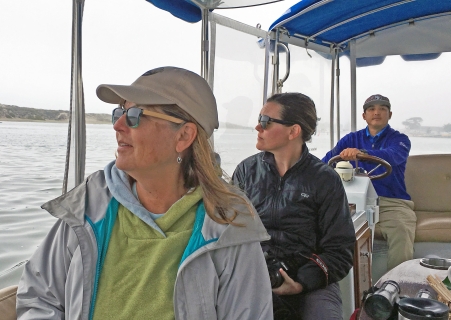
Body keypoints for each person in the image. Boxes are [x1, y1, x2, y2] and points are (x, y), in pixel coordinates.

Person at [16, 66, 273, 320]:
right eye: (120, 111)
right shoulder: (89, 205)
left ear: (184, 135)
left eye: (135, 115)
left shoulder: (228, 224)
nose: (117, 125)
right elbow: (39, 296)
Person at [232, 92, 356, 320]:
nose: (257, 128)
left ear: (293, 131)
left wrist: (300, 282)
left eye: (265, 122)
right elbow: (230, 233)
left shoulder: (325, 179)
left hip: (312, 281)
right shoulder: (245, 172)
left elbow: (340, 250)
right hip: (255, 275)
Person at [322, 94, 416, 271]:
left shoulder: (400, 140)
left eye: (382, 109)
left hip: (391, 202)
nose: (377, 112)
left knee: (402, 230)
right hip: (354, 201)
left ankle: (397, 287)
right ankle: (342, 283)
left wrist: (361, 153)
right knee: (326, 227)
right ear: (364, 115)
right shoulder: (350, 140)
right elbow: (325, 162)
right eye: (372, 109)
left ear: (390, 114)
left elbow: (392, 156)